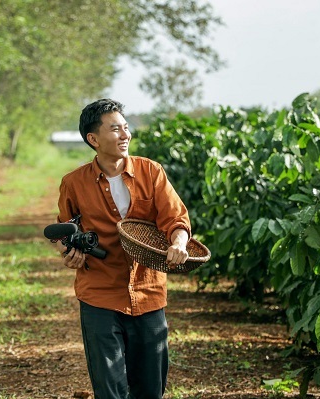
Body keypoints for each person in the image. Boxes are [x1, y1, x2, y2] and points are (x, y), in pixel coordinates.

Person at [54, 98, 191, 399]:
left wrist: (179, 242)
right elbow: (64, 230)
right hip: (99, 293)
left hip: (149, 291)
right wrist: (70, 254)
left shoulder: (151, 172)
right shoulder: (73, 183)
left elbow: (175, 218)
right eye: (115, 129)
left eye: (126, 128)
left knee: (150, 387)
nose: (125, 135)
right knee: (109, 388)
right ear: (93, 139)